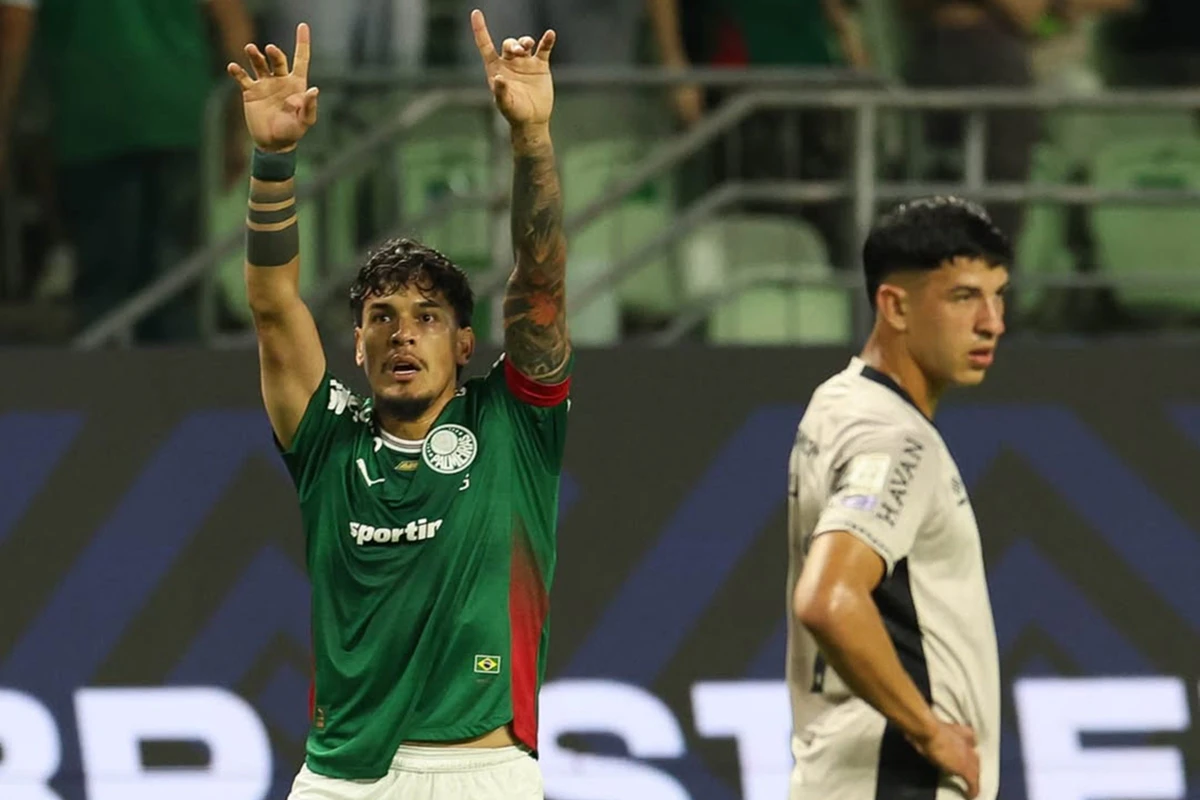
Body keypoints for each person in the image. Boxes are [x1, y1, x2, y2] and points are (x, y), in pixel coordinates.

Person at [226, 10, 570, 799]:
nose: (402, 335)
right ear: (357, 344)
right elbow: (274, 307)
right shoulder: (327, 440)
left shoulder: (513, 424)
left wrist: (531, 140)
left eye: (427, 318)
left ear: (465, 343)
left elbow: (541, 279)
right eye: (381, 318)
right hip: (340, 781)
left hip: (481, 772)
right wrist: (273, 160)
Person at [785, 197, 1006, 800]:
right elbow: (829, 599)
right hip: (894, 777)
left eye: (998, 295)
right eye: (964, 297)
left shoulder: (842, 402)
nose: (992, 322)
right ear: (895, 306)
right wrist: (930, 732)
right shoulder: (893, 438)